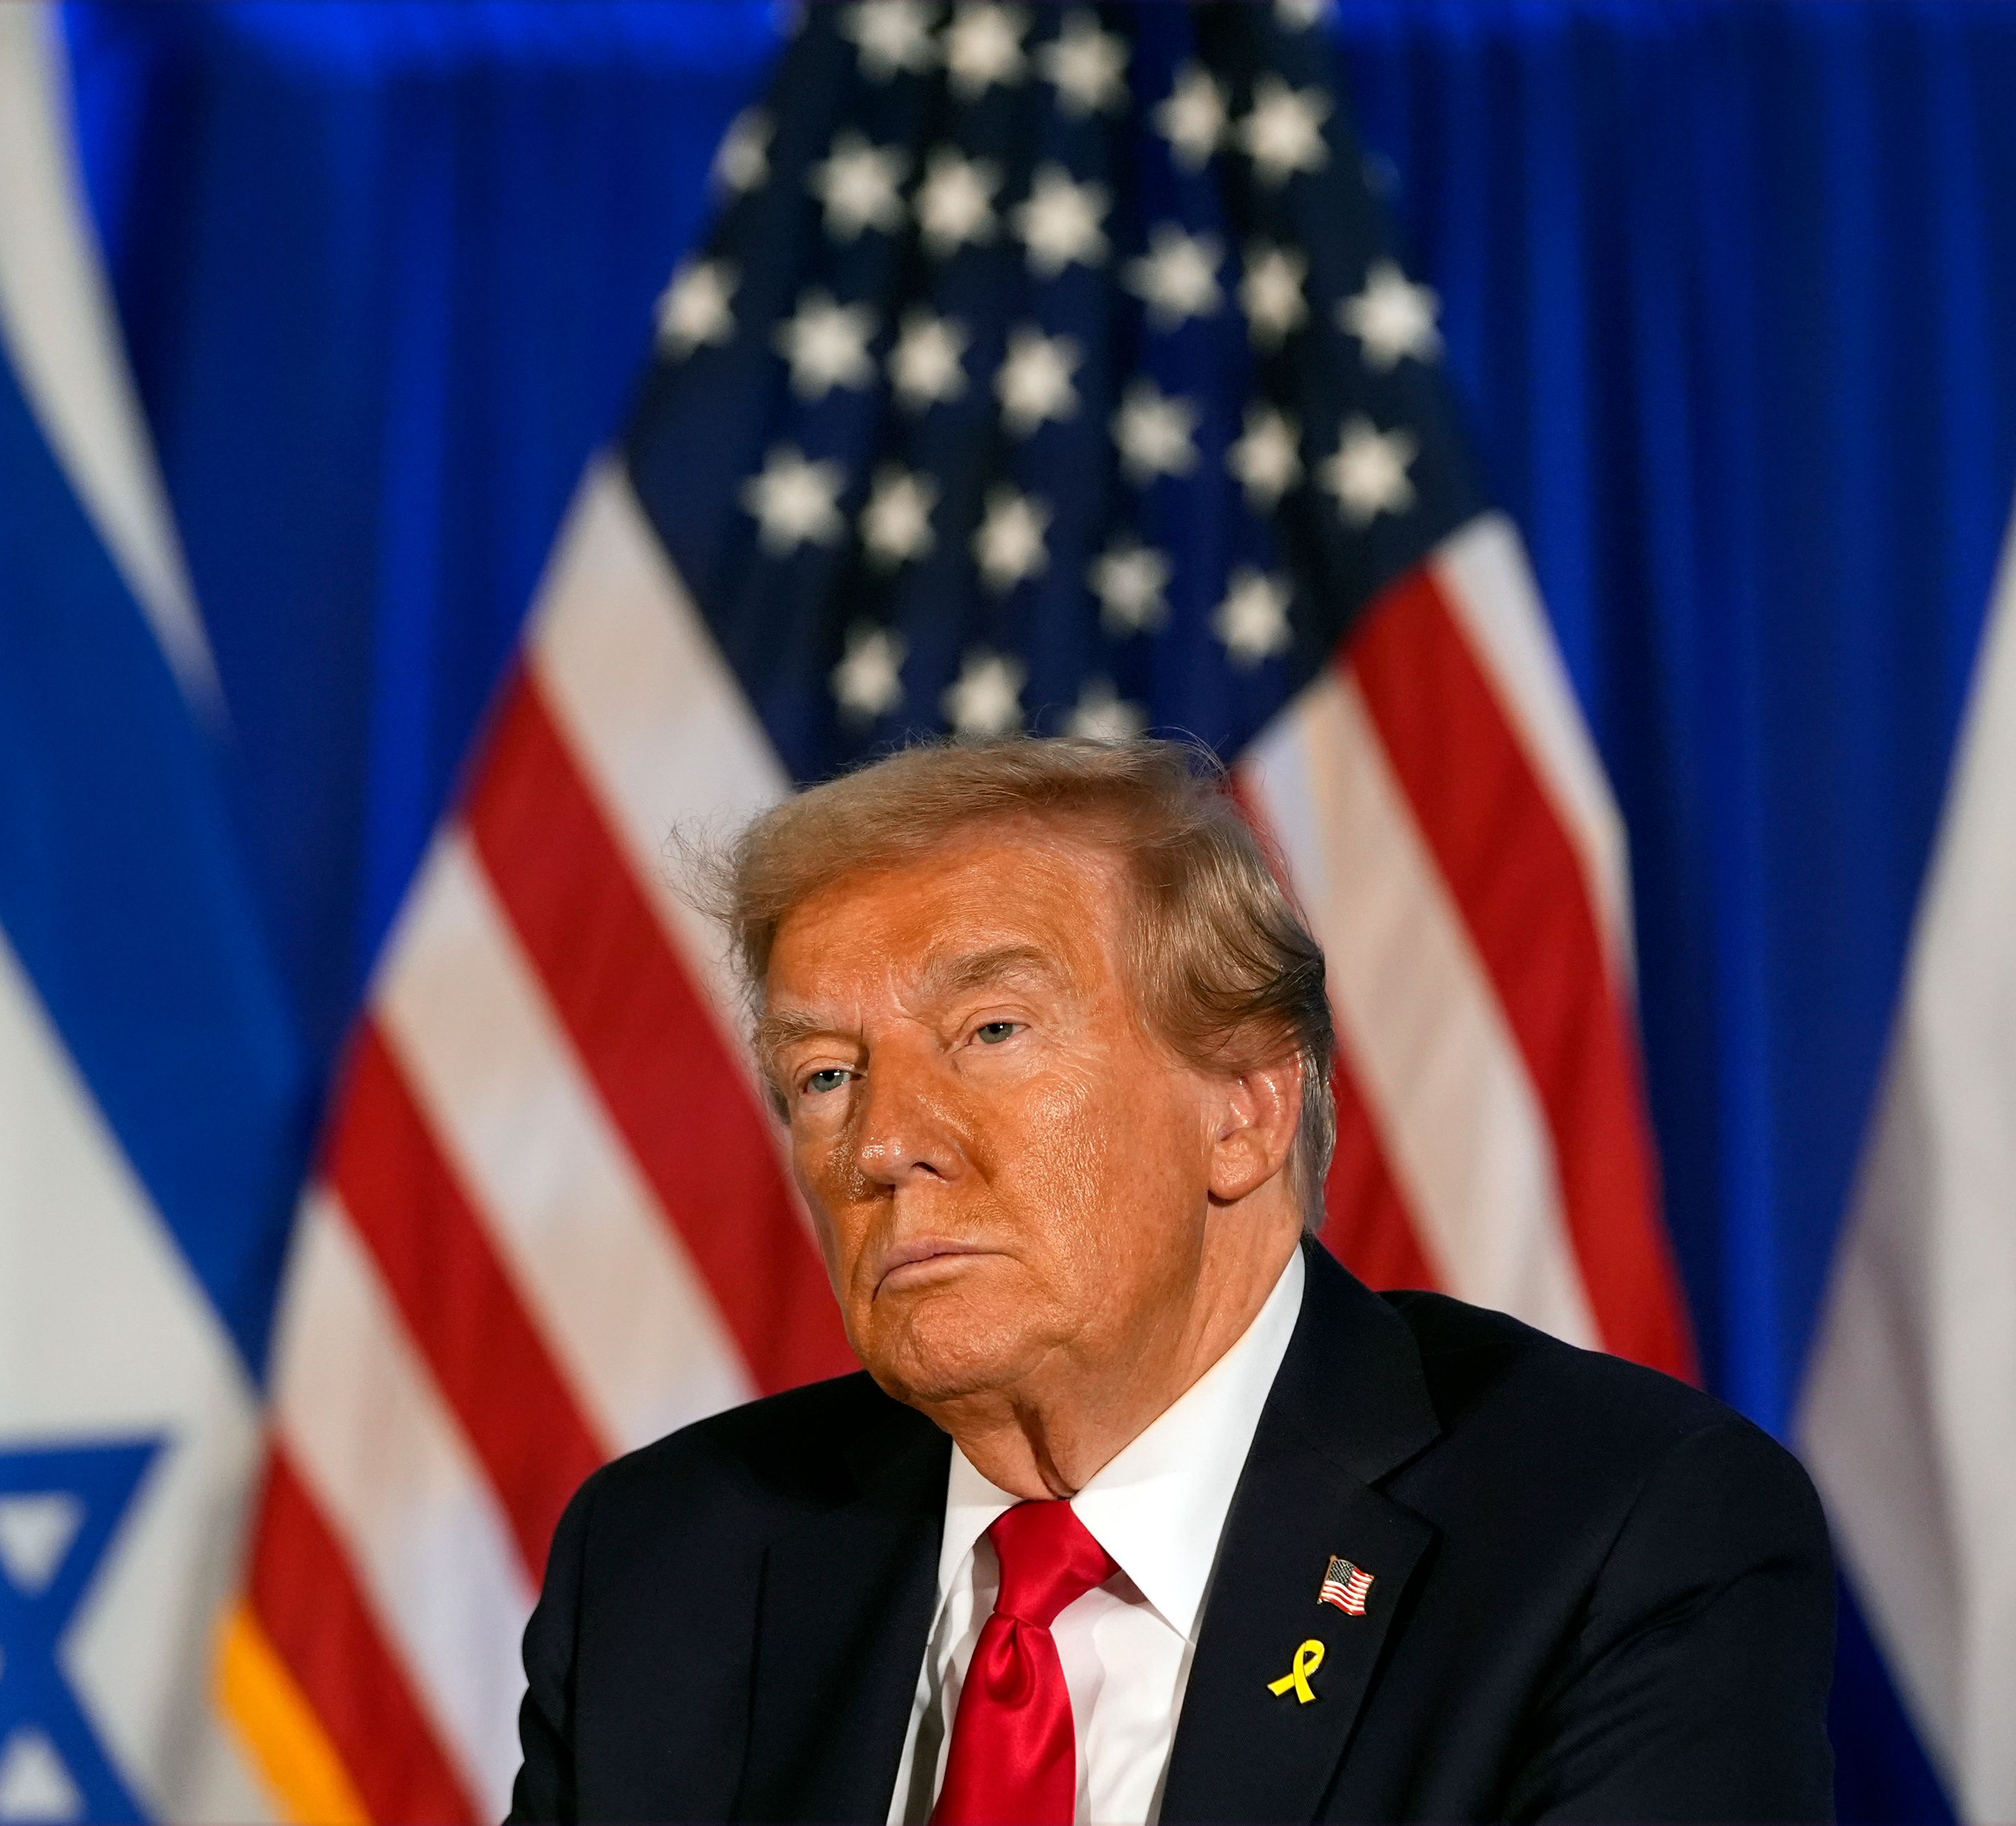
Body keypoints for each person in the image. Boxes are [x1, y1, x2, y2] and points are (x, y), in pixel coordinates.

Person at [509, 737, 1834, 1825]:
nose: (882, 1143)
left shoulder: (1616, 1540)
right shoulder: (663, 1564)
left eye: (990, 1030)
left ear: (1246, 1110)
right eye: (824, 1075)